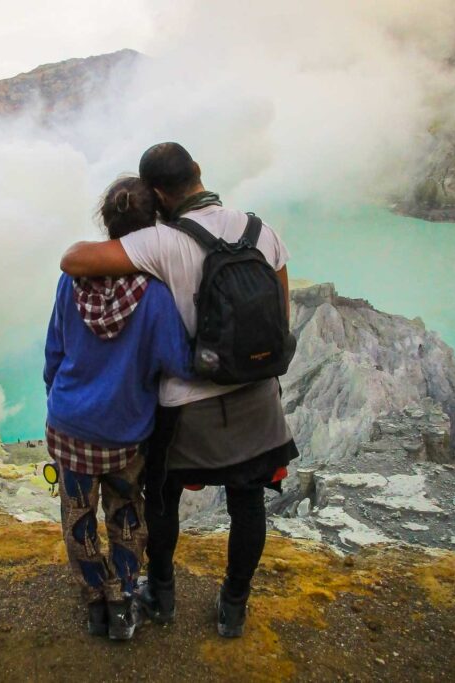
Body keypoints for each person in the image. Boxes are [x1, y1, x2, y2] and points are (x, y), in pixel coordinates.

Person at [60, 142, 298, 638]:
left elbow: (75, 261)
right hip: (257, 400)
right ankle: (233, 606)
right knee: (247, 505)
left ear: (158, 194)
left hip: (187, 409)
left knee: (161, 501)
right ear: (199, 172)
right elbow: (282, 312)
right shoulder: (261, 230)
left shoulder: (161, 242)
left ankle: (161, 594)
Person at [44, 176, 192, 641]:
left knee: (78, 516)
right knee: (127, 515)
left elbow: (55, 353)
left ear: (107, 222)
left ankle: (95, 603)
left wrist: (60, 399)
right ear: (151, 224)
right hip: (125, 433)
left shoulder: (71, 283)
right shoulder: (156, 296)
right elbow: (177, 363)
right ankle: (124, 602)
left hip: (69, 425)